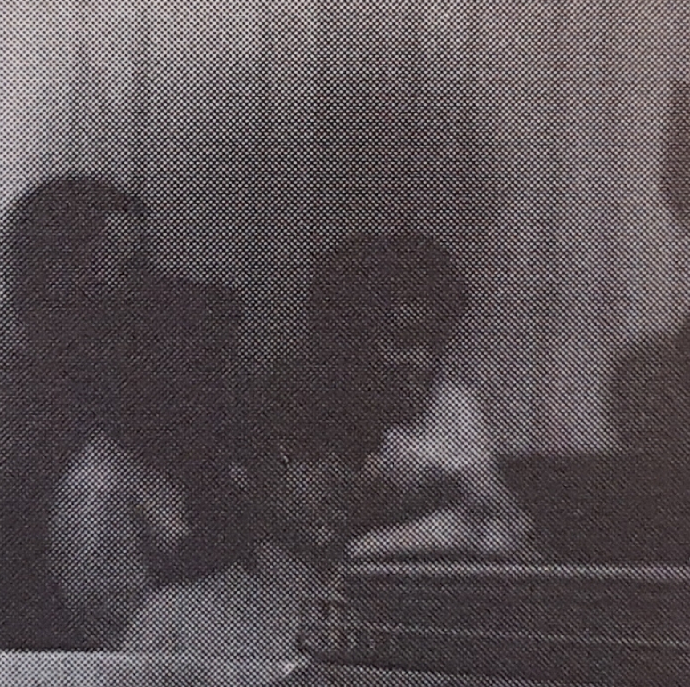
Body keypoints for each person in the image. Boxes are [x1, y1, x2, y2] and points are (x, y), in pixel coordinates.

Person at [0, 174, 240, 665]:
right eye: (115, 262)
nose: (132, 283)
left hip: (96, 614)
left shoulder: (136, 363)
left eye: (138, 264)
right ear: (49, 265)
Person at [303, 233, 529, 562]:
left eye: (435, 341)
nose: (423, 361)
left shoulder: (449, 405)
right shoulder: (307, 412)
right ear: (351, 339)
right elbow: (319, 548)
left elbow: (501, 526)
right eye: (403, 340)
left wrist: (369, 547)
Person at [120, 358, 356, 663]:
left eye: (351, 454)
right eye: (307, 455)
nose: (334, 474)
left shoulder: (384, 616)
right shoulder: (176, 622)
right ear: (243, 472)